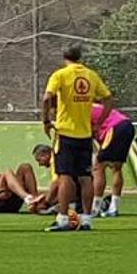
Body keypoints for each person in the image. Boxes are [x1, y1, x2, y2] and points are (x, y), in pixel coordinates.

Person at [42, 44, 113, 232]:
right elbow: (108, 98)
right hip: (85, 134)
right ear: (80, 56)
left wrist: (46, 121)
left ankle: (63, 219)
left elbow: (46, 98)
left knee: (65, 176)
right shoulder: (91, 75)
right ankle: (87, 219)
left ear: (64, 57)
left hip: (65, 132)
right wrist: (99, 123)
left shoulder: (60, 75)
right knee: (85, 176)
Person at [90, 103, 137, 217]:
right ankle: (114, 208)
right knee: (116, 168)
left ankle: (95, 208)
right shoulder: (93, 106)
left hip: (114, 128)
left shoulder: (81, 110)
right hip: (127, 125)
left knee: (98, 167)